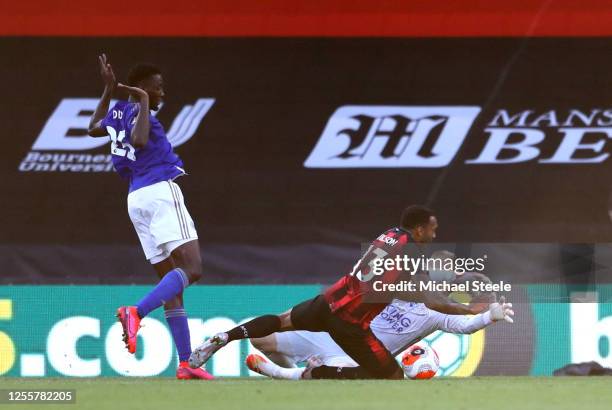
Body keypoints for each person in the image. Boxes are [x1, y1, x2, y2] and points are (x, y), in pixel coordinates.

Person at [190, 205, 488, 379]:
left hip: (331, 299)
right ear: (420, 229)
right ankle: (310, 374)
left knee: (281, 320)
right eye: (432, 230)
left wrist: (451, 282)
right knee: (391, 377)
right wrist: (468, 308)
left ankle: (224, 337)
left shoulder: (389, 234)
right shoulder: (413, 254)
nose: (434, 235)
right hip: (351, 324)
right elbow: (427, 295)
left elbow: (420, 284)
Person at [87, 54, 212, 380]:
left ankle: (186, 364)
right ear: (142, 88)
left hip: (136, 199)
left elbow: (91, 129)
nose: (162, 94)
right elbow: (139, 139)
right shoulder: (144, 115)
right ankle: (136, 312)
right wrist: (142, 101)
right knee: (192, 269)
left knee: (173, 287)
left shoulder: (117, 111)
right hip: (159, 192)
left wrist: (108, 90)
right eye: (157, 89)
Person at [245, 274, 514, 379]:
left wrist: (491, 316)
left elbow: (467, 326)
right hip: (331, 334)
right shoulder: (404, 288)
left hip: (355, 352)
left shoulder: (437, 316)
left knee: (350, 374)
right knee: (261, 338)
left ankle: (282, 374)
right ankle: (295, 375)